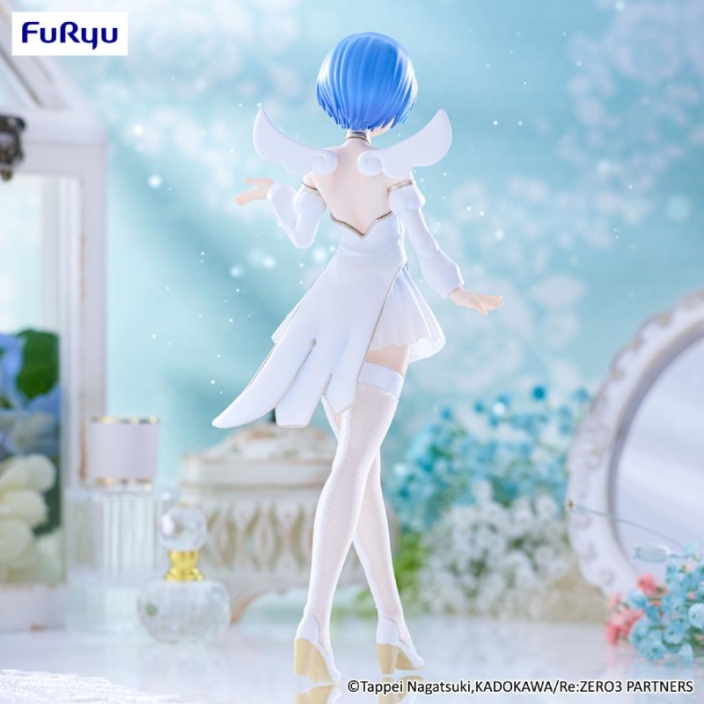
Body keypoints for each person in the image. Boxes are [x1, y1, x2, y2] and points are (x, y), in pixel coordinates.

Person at [213, 32, 502, 683]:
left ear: (331, 93)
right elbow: (424, 247)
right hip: (382, 318)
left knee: (361, 473)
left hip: (329, 319)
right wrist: (458, 291)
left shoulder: (318, 168)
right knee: (351, 467)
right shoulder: (393, 169)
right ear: (394, 105)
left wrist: (274, 194)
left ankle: (392, 628)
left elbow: (300, 233)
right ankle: (313, 622)